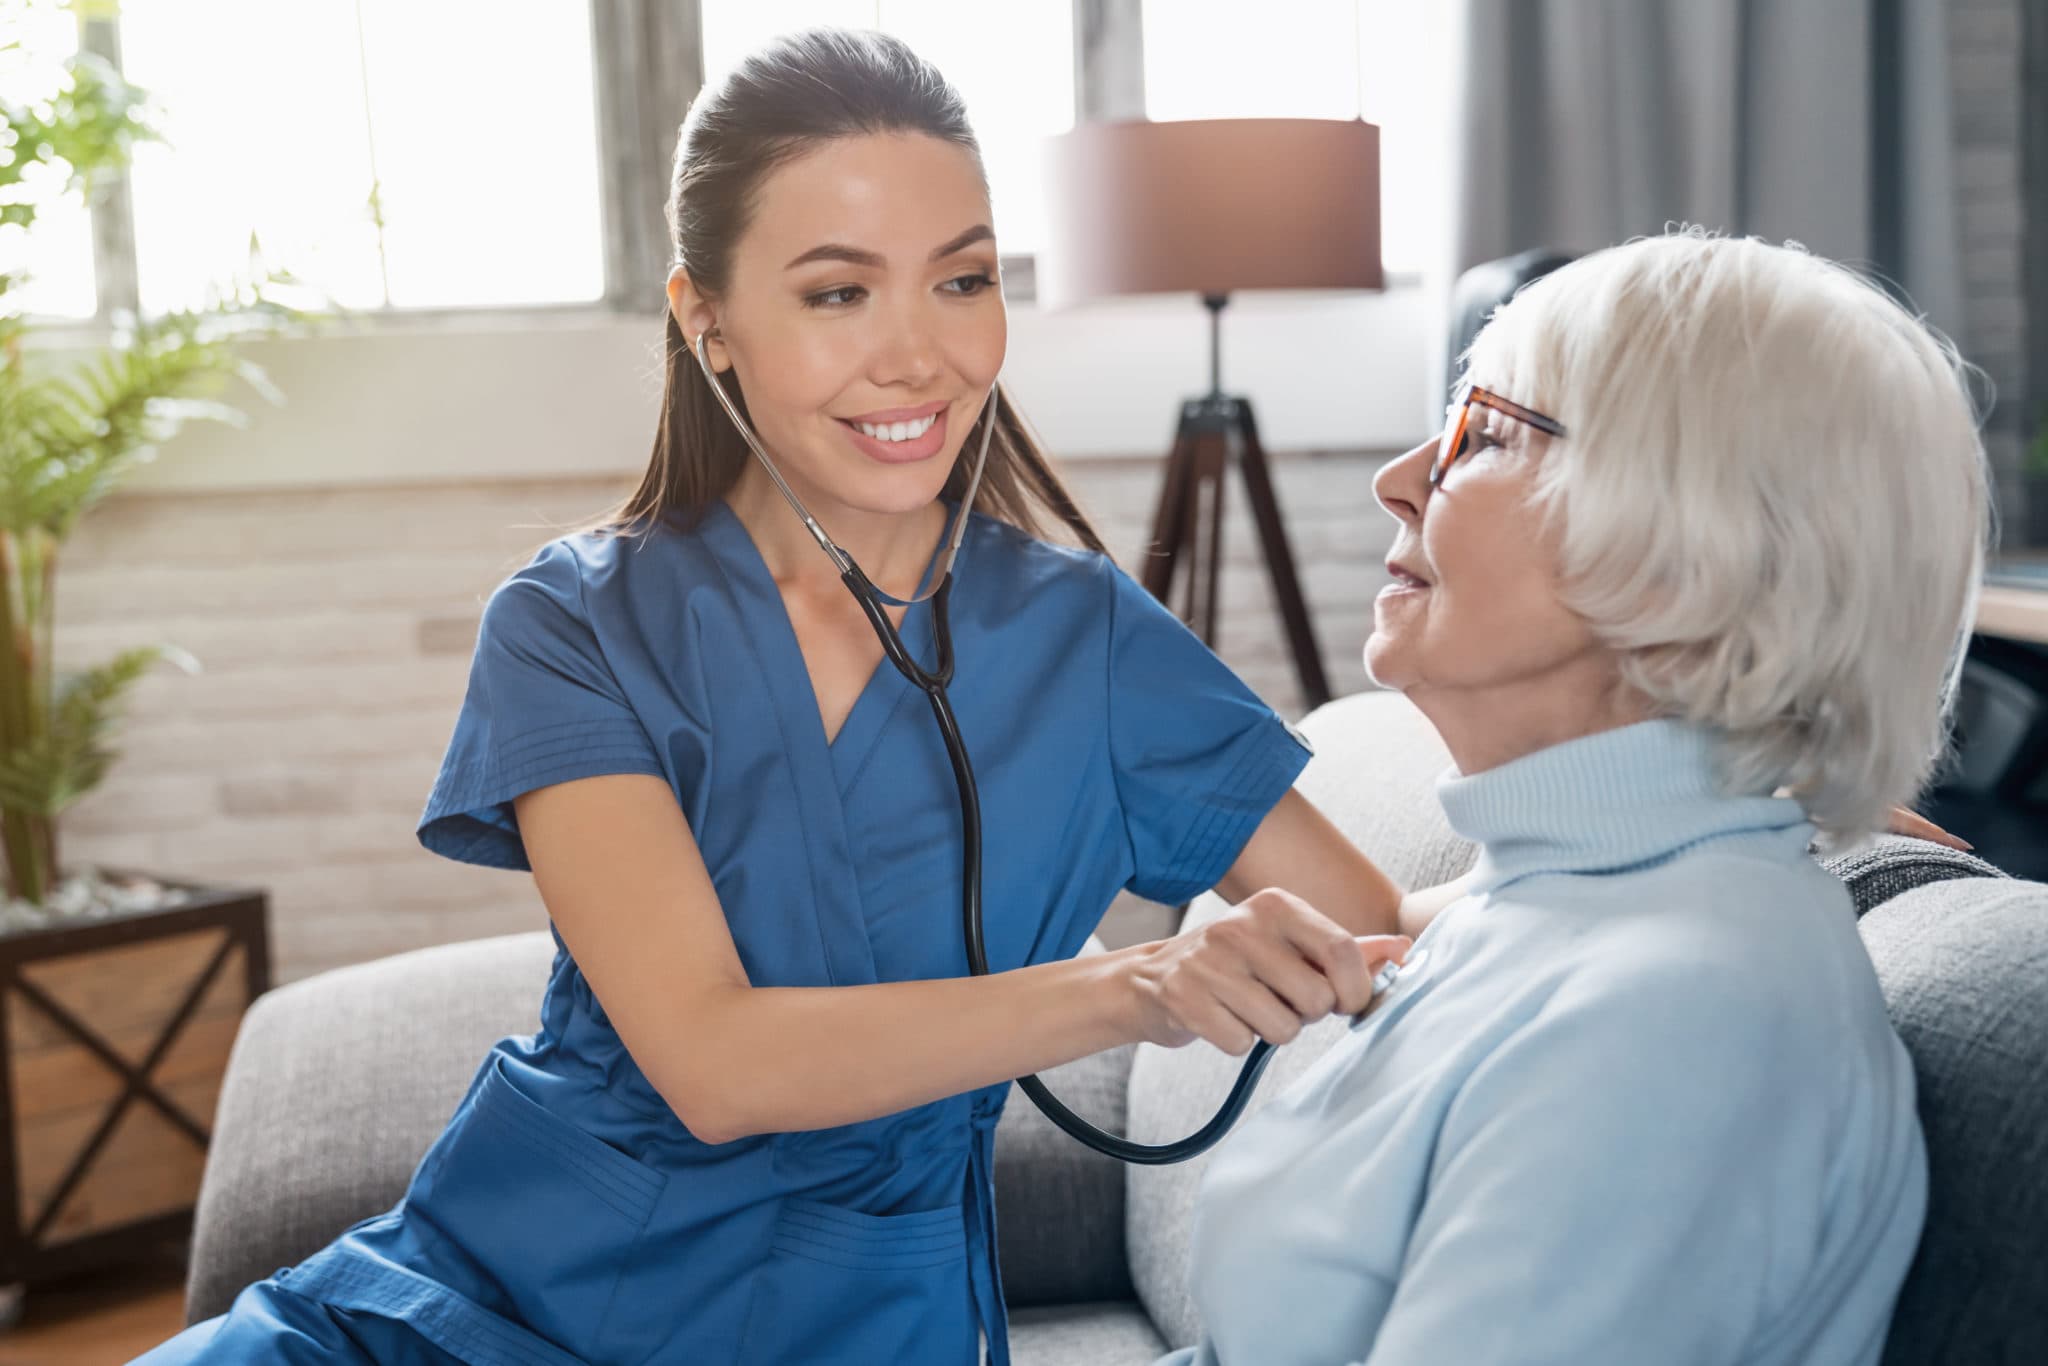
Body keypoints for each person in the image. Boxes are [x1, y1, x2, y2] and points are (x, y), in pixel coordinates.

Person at [135, 29, 1430, 1366]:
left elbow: (1391, 935)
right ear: (710, 324)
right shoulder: (574, 623)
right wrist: (1133, 984)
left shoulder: (1090, 642)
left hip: (865, 1320)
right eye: (836, 294)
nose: (919, 357)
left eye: (963, 279)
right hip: (483, 1295)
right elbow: (716, 1065)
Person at [1162, 230, 1987, 1366]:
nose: (1397, 478)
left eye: (1481, 434)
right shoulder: (1551, 898)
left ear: (1687, 550)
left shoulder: (1679, 1021)